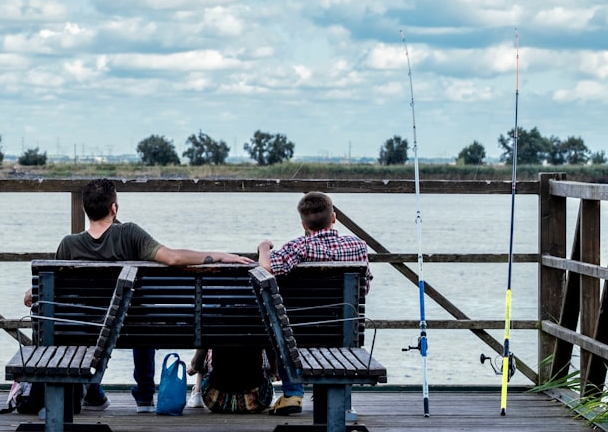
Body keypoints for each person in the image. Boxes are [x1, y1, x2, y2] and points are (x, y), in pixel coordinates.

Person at [24, 178, 254, 412]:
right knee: (139, 313)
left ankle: (92, 392)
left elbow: (55, 289)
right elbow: (173, 258)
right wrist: (218, 255)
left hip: (84, 327)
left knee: (80, 327)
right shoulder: (129, 233)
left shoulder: (69, 244)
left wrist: (35, 290)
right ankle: (144, 397)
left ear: (85, 209)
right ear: (114, 208)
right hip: (131, 326)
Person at [257, 191, 373, 415]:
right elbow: (364, 289)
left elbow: (265, 271)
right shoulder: (358, 246)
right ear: (334, 218)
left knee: (282, 329)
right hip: (344, 328)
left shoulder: (297, 248)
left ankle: (293, 393)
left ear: (303, 224)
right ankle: (339, 400)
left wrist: (264, 248)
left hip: (301, 331)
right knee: (337, 335)